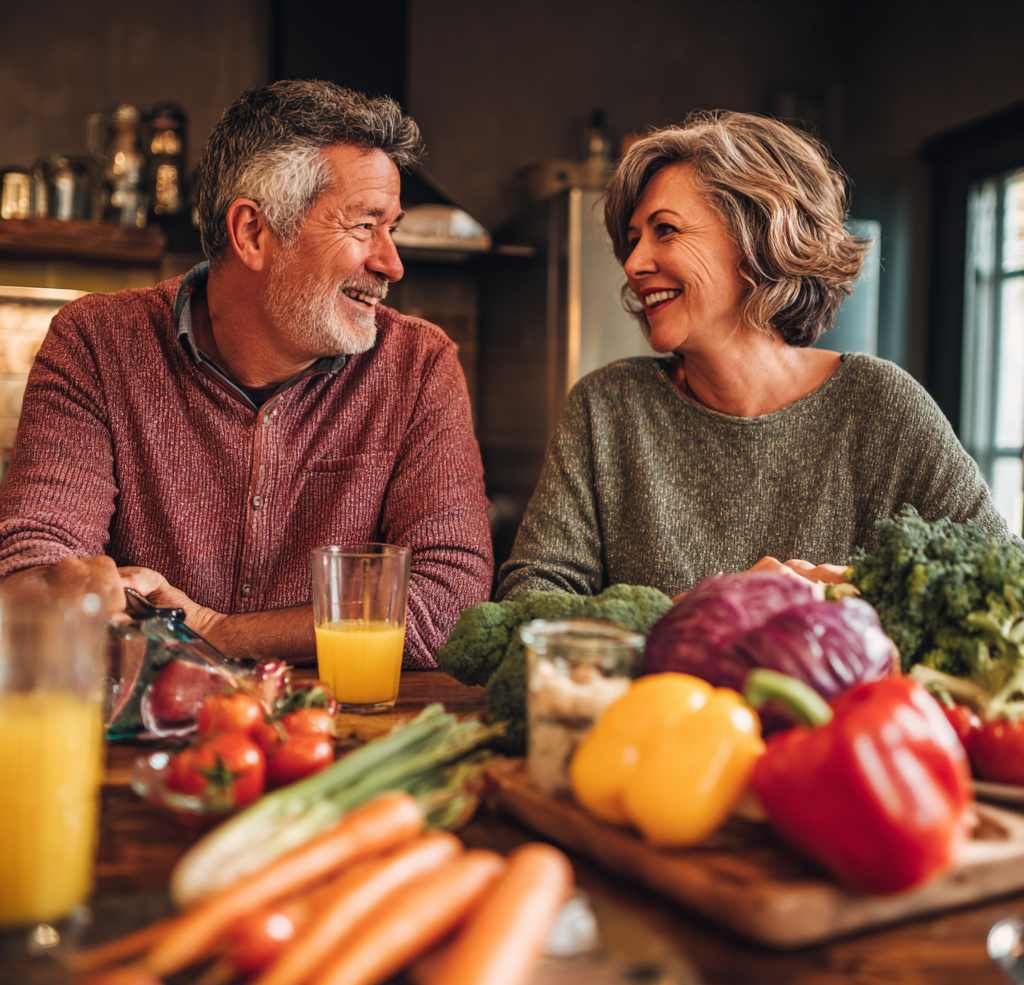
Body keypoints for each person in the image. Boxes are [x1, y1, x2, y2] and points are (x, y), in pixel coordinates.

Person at [0, 81, 492, 667]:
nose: (392, 263)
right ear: (253, 233)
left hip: (342, 733)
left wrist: (217, 633)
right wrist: (66, 586)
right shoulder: (96, 343)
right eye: (365, 226)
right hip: (149, 735)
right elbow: (35, 568)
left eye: (393, 228)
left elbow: (448, 608)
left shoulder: (419, 366)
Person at [496, 110, 1011, 600]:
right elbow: (529, 598)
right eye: (631, 241)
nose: (633, 263)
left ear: (759, 236)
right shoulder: (607, 405)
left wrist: (857, 592)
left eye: (665, 230)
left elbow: (1002, 582)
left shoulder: (880, 405)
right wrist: (708, 609)